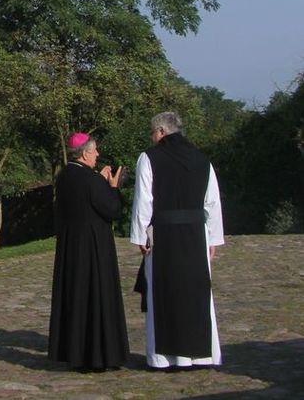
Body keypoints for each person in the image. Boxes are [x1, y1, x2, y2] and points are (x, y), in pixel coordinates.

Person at [130, 111, 224, 369]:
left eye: (153, 132)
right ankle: (202, 354)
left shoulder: (149, 158)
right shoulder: (202, 159)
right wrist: (213, 237)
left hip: (163, 233)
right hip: (196, 233)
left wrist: (140, 235)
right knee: (197, 291)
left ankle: (164, 358)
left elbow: (144, 200)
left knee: (165, 292)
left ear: (161, 131)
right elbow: (212, 201)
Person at [47, 131, 130, 370]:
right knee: (95, 296)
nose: (98, 155)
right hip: (93, 247)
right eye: (94, 151)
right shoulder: (91, 180)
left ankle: (74, 352)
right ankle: (98, 354)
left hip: (71, 245)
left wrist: (99, 180)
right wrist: (112, 187)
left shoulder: (64, 177)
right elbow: (111, 209)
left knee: (76, 297)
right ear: (85, 153)